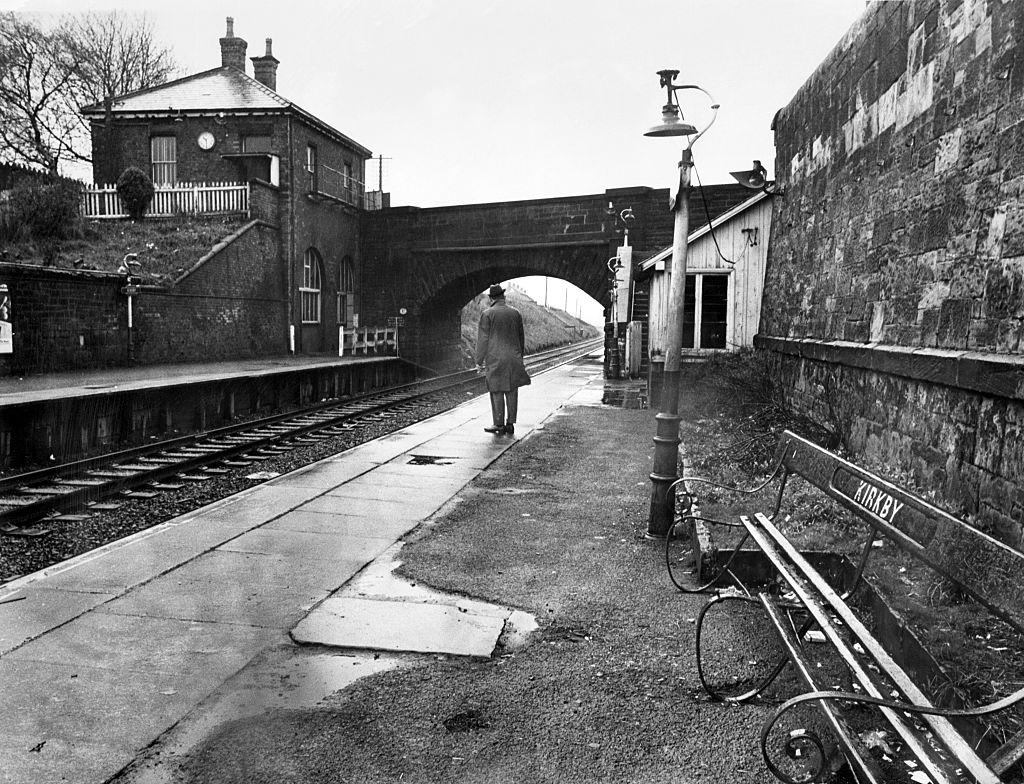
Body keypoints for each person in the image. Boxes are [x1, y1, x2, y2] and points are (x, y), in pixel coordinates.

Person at [475, 283, 530, 435]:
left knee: (496, 390)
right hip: (513, 358)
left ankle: (498, 424)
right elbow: (521, 338)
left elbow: (483, 340)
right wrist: (519, 356)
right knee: (512, 390)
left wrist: (479, 361)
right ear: (503, 297)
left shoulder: (488, 314)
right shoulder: (516, 313)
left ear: (491, 298)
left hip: (496, 359)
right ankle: (510, 423)